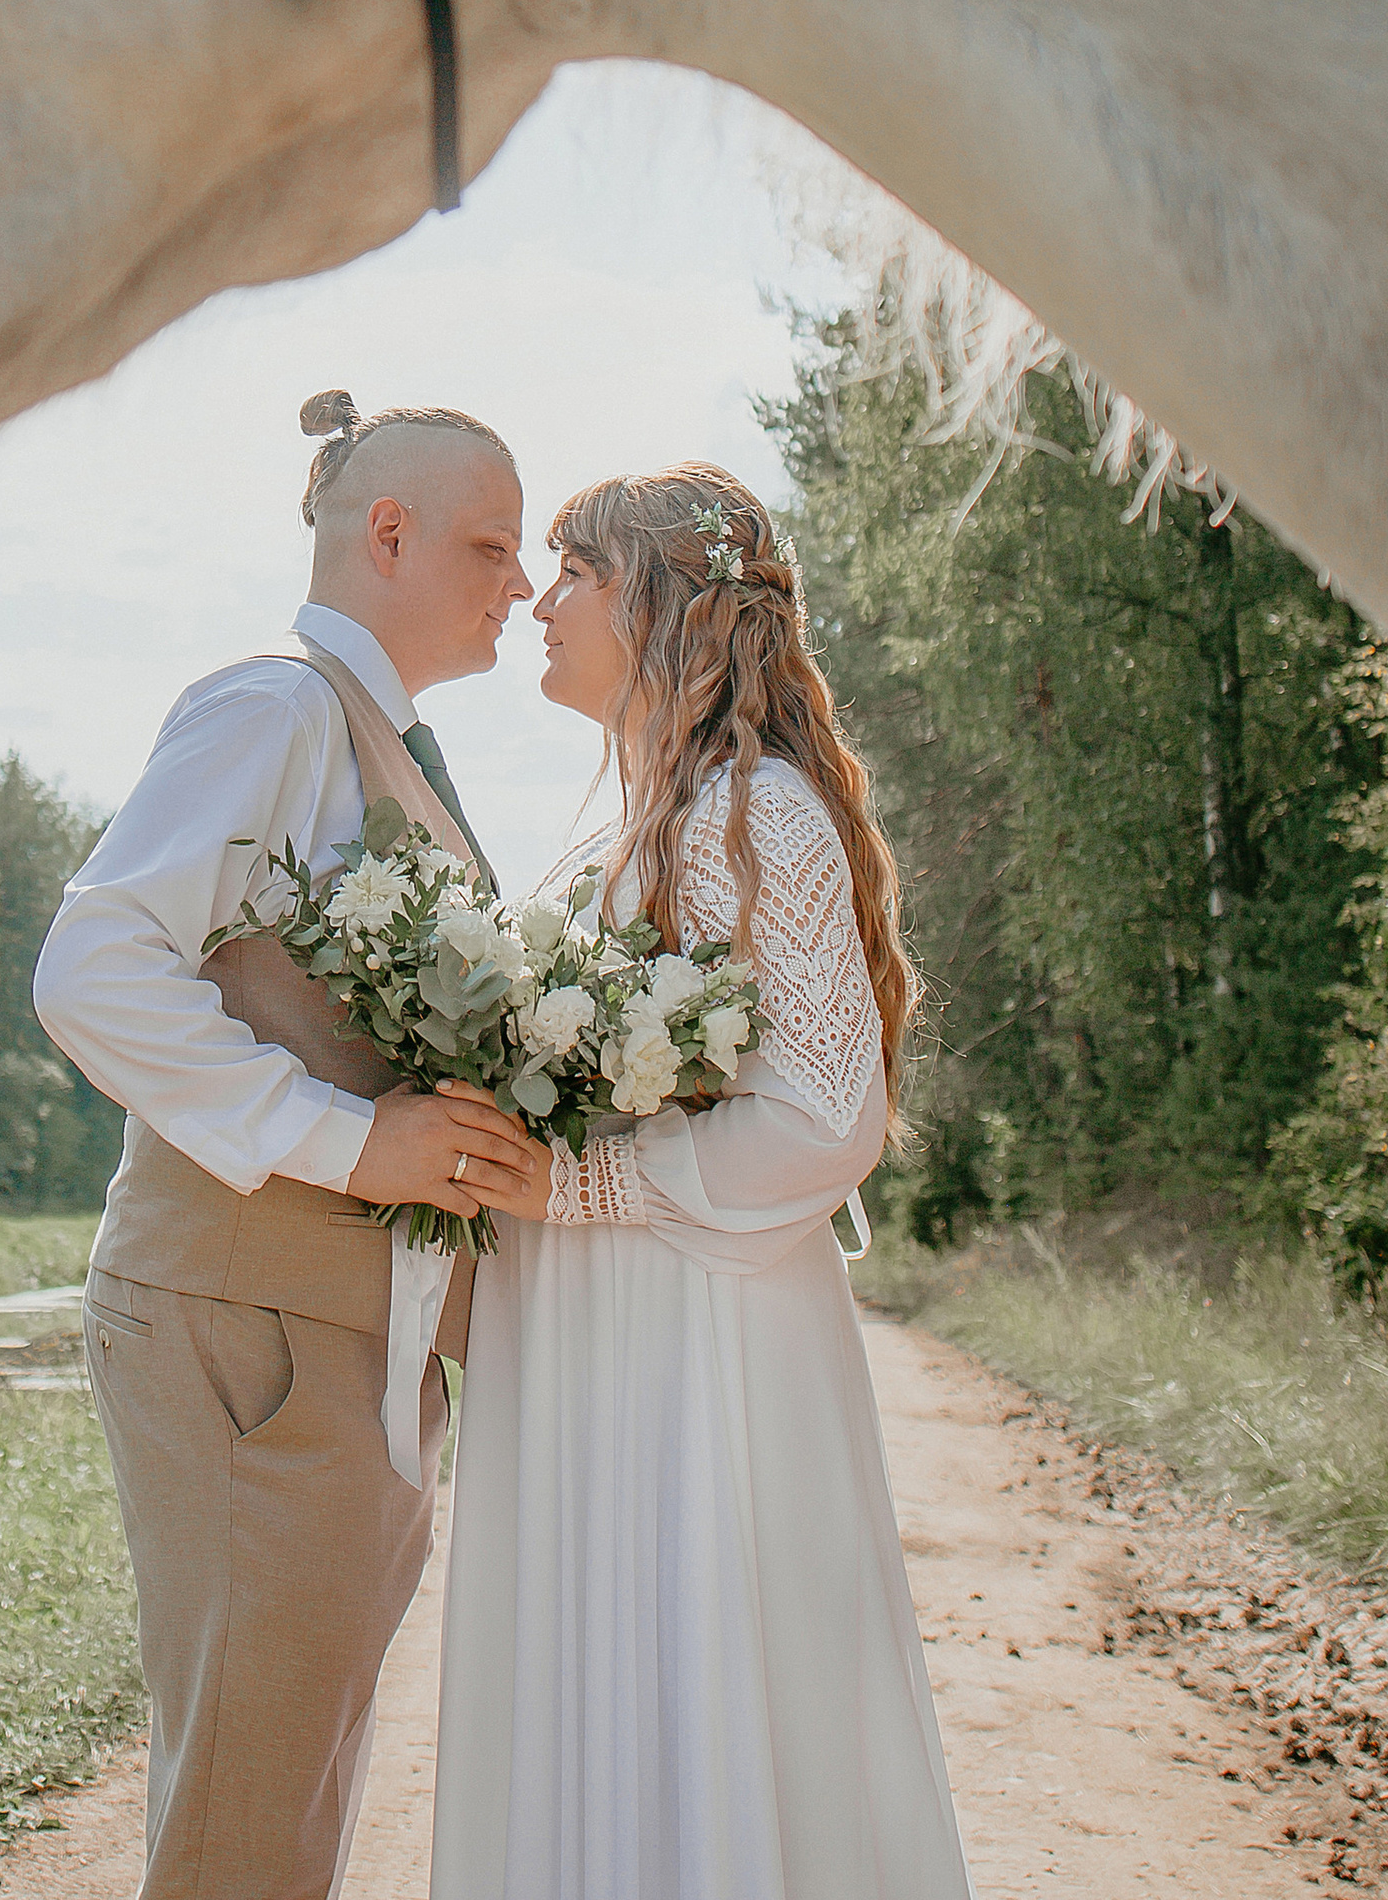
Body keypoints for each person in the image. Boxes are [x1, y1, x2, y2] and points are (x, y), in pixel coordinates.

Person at [432, 464, 974, 1900]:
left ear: (667, 605)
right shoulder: (639, 822)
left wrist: (577, 1190)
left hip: (697, 1338)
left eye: (577, 573)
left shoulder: (761, 813)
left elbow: (831, 1115)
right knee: (603, 1687)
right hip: (600, 1331)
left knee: (698, 1681)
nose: (541, 604)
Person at [34, 389, 539, 1900]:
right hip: (244, 1331)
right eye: (493, 545)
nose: (521, 583)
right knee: (245, 1831)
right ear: (386, 533)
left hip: (327, 1334)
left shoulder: (370, 738)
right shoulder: (275, 712)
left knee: (283, 1806)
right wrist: (351, 1143)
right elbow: (92, 970)